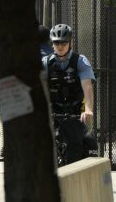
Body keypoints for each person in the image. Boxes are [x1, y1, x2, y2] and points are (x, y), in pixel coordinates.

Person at [42, 23, 98, 164]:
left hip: (74, 112)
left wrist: (88, 109)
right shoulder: (45, 63)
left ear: (70, 42)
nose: (60, 46)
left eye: (63, 42)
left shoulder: (80, 61)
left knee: (76, 147)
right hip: (53, 111)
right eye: (56, 43)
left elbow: (87, 87)